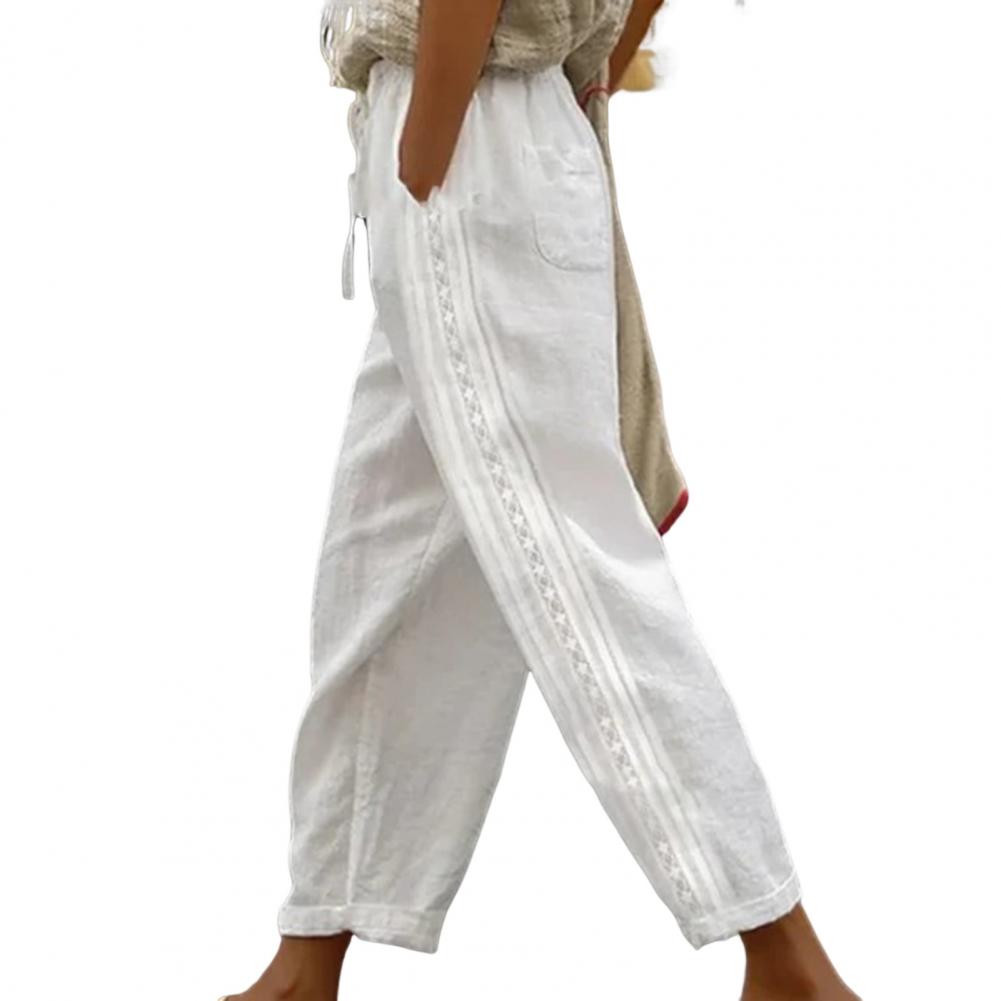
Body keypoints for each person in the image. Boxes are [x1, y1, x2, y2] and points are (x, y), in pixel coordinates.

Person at [221, 2, 860, 999]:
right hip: (503, 139)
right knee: (384, 562)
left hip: (462, 147)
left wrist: (427, 141)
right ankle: (314, 945)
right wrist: (578, 76)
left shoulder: (445, 136)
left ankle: (782, 952)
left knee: (577, 571)